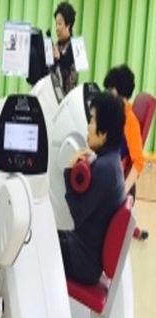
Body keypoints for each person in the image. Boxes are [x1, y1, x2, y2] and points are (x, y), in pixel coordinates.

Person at [58, 92, 126, 285]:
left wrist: (68, 170)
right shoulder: (112, 162)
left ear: (103, 134)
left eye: (92, 121)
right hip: (84, 253)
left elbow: (77, 215)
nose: (88, 126)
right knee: (41, 234)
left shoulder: (105, 169)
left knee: (32, 245)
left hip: (82, 262)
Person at [104, 64, 149, 240]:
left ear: (120, 93)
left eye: (110, 90)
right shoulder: (115, 113)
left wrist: (122, 191)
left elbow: (139, 162)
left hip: (120, 183)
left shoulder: (130, 121)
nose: (108, 94)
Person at [53, 2, 78, 96]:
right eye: (56, 24)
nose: (57, 28)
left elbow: (68, 62)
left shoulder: (75, 46)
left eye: (59, 24)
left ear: (68, 25)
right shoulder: (56, 46)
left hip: (68, 97)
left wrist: (59, 57)